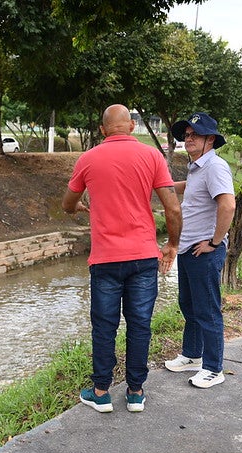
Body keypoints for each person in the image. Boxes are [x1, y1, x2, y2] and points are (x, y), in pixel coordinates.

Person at [62, 104, 182, 413]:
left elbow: (67, 204)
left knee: (104, 327)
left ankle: (101, 392)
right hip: (143, 257)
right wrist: (172, 244)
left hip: (105, 260)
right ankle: (135, 392)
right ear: (131, 126)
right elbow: (172, 207)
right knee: (140, 325)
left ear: (102, 130)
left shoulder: (88, 159)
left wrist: (78, 207)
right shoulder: (152, 156)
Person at [163, 112, 236, 389]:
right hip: (188, 247)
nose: (189, 138)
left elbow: (228, 205)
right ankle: (193, 355)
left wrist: (214, 242)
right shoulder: (197, 167)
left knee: (207, 310)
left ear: (211, 139)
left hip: (203, 250)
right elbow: (191, 188)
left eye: (195, 134)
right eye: (187, 134)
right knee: (189, 305)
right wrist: (162, 187)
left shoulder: (215, 166)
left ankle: (214, 368)